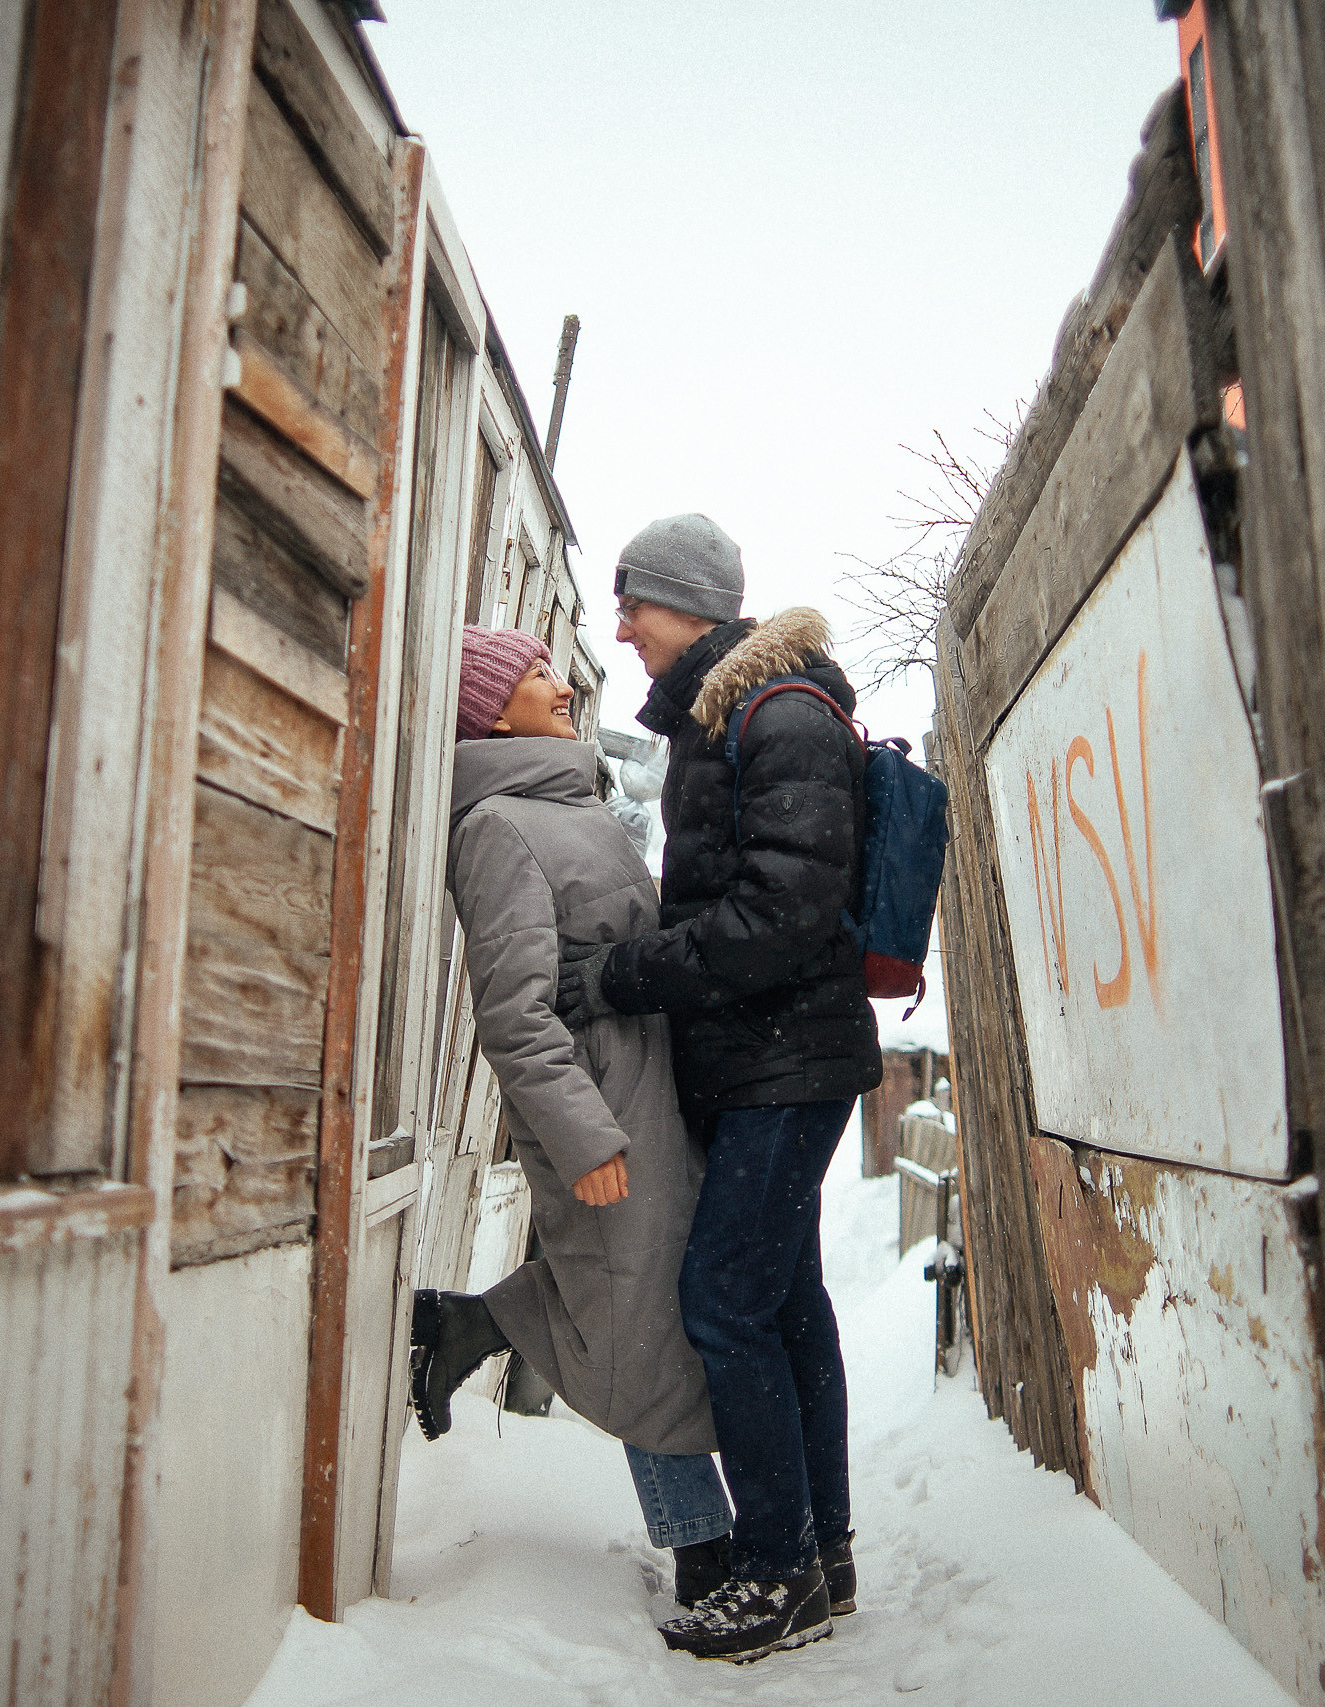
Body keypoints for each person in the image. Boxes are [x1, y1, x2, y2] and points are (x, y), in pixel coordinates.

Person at [554, 514, 881, 1663]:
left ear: (687, 602)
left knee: (725, 1301)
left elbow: (780, 919)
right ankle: (822, 1553)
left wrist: (623, 976)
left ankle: (779, 1569)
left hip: (785, 1061)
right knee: (783, 1302)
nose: (622, 624)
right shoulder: (725, 717)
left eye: (633, 600)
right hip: (762, 1059)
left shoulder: (777, 713)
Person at [408, 624, 740, 1615]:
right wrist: (582, 1134)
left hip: (652, 1101)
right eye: (535, 675)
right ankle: (705, 1559)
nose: (562, 686)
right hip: (602, 1119)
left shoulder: (574, 806)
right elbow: (513, 1013)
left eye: (555, 669)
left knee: (637, 1306)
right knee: (640, 1334)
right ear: (487, 710)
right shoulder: (498, 829)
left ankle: (466, 1325)